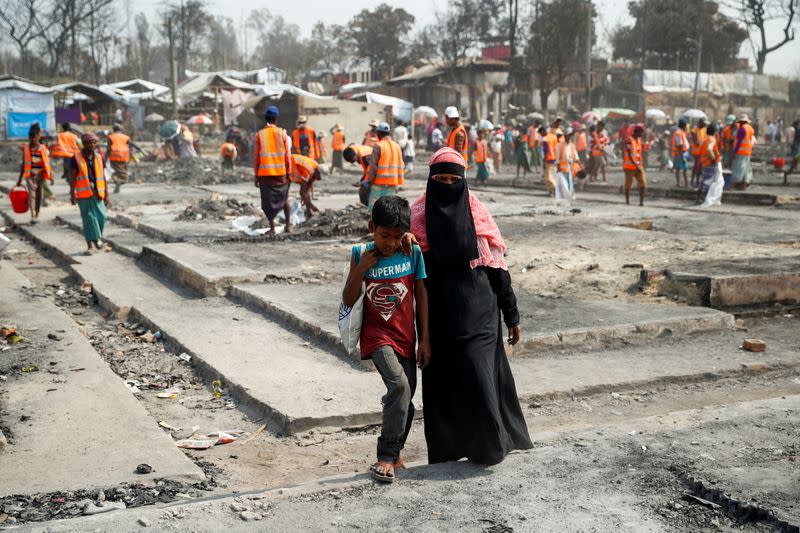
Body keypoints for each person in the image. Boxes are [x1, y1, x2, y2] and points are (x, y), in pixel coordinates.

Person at [409, 147, 533, 465]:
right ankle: (449, 452)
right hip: (437, 316)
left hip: (480, 310)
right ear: (430, 181)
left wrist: (512, 314)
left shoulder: (477, 214)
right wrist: (422, 336)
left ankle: (490, 448)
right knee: (444, 383)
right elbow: (414, 282)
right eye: (441, 179)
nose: (447, 185)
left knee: (478, 372)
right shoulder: (417, 219)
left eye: (454, 179)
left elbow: (497, 269)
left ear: (463, 181)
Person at [342, 195, 429, 484]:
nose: (389, 242)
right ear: (372, 227)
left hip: (406, 337)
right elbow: (348, 298)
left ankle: (397, 450)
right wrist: (362, 267)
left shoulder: (411, 252)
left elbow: (420, 294)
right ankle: (386, 455)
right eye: (384, 235)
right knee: (400, 386)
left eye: (396, 236)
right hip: (376, 336)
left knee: (406, 399)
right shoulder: (361, 253)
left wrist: (424, 339)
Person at [253, 105, 293, 234]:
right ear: (276, 119)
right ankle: (288, 225)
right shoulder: (283, 134)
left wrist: (256, 175)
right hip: (281, 174)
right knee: (284, 198)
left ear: (266, 119)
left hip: (264, 175)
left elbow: (256, 158)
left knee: (267, 202)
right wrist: (289, 172)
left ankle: (272, 228)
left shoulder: (259, 135)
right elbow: (288, 155)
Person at [67, 133, 109, 254]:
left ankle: (96, 239)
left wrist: (107, 193)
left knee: (102, 216)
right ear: (84, 144)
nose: (92, 144)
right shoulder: (76, 158)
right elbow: (72, 177)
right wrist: (72, 193)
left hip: (98, 191)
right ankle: (90, 245)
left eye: (94, 142)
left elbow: (103, 177)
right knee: (88, 218)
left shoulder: (99, 157)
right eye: (89, 142)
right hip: (84, 192)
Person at [15, 123, 52, 225]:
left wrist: (51, 176)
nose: (33, 140)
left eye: (35, 137)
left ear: (38, 137)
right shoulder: (26, 148)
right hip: (30, 176)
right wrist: (19, 179)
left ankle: (37, 213)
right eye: (31, 138)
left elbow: (47, 163)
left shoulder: (43, 148)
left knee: (39, 195)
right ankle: (32, 215)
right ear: (29, 138)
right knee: (32, 196)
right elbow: (23, 163)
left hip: (40, 175)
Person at [365, 122, 404, 210]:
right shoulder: (397, 146)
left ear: (378, 134)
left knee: (374, 209)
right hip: (393, 183)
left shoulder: (378, 146)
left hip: (378, 183)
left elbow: (373, 166)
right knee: (389, 209)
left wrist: (369, 181)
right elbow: (401, 164)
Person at [290, 154, 322, 218]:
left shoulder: (317, 168)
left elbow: (308, 187)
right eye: (319, 177)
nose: (319, 179)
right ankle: (309, 211)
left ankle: (309, 212)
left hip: (297, 164)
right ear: (317, 173)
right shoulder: (308, 171)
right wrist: (312, 206)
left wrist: (306, 200)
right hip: (291, 163)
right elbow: (302, 192)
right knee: (303, 190)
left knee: (306, 191)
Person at [623, 124, 647, 206]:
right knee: (628, 185)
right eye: (641, 132)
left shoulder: (639, 140)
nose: (642, 134)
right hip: (630, 167)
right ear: (638, 132)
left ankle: (641, 203)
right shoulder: (629, 140)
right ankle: (627, 202)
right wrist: (636, 165)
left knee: (643, 184)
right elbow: (629, 154)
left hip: (638, 166)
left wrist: (640, 165)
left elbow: (639, 153)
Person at [106, 124, 133, 193]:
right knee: (123, 173)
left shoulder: (110, 137)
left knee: (117, 171)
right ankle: (119, 181)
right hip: (124, 157)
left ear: (113, 130)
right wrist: (130, 157)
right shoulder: (126, 137)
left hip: (114, 157)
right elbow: (131, 147)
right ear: (121, 130)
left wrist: (105, 159)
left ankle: (116, 180)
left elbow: (108, 149)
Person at [731, 114, 755, 190]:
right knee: (745, 168)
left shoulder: (742, 129)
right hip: (748, 151)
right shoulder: (750, 128)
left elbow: (739, 142)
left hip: (741, 151)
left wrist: (734, 152)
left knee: (738, 168)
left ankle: (733, 184)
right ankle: (743, 185)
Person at [698, 123, 720, 200]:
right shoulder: (712, 139)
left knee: (704, 179)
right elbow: (709, 149)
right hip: (710, 162)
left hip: (704, 162)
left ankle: (700, 196)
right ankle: (703, 197)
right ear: (714, 132)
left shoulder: (704, 139)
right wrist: (713, 158)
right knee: (708, 180)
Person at [689, 119, 708, 187]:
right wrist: (702, 142)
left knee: (700, 167)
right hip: (696, 151)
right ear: (700, 123)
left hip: (702, 151)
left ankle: (697, 181)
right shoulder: (694, 129)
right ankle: (692, 180)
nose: (705, 125)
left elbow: (705, 139)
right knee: (696, 166)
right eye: (704, 124)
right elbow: (696, 142)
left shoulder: (704, 130)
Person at [672, 119, 690, 188]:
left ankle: (678, 183)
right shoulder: (678, 133)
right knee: (684, 169)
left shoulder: (681, 132)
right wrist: (682, 155)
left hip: (679, 154)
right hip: (680, 154)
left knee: (678, 169)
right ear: (684, 126)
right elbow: (679, 145)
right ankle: (686, 184)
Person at [541, 125, 558, 194]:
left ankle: (555, 187)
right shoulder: (554, 137)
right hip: (554, 158)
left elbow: (546, 151)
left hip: (548, 159)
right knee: (550, 175)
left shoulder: (545, 139)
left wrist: (544, 161)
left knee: (547, 176)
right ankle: (550, 190)